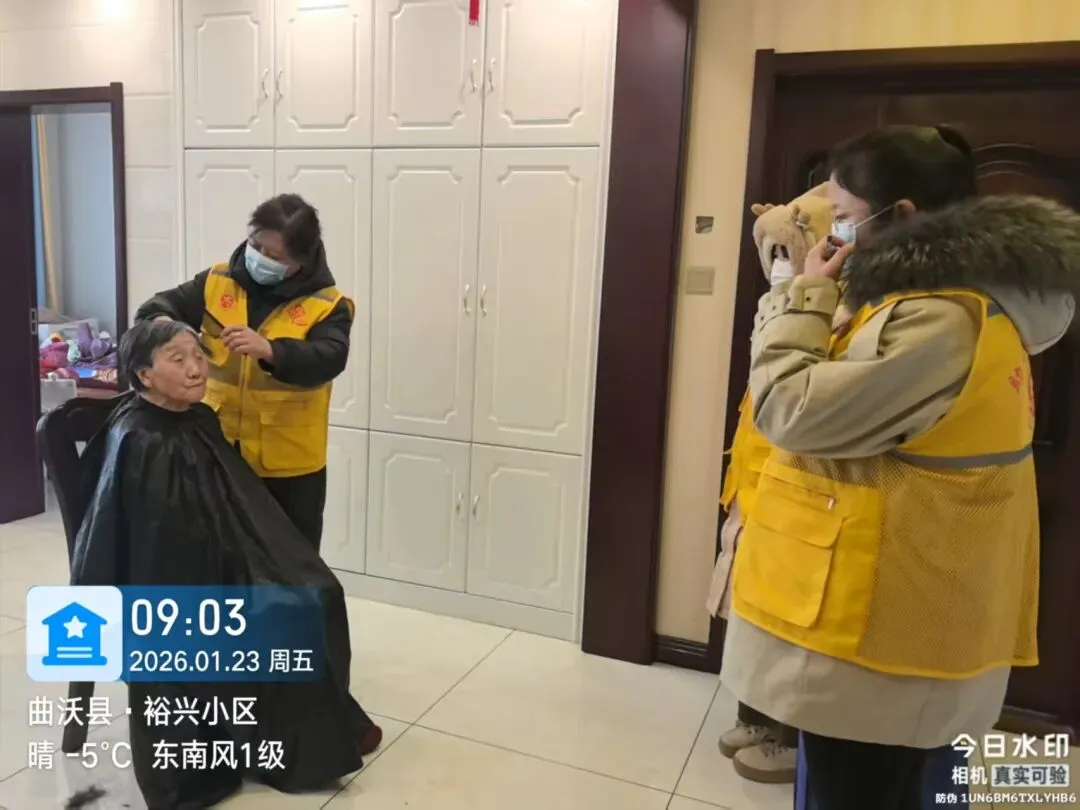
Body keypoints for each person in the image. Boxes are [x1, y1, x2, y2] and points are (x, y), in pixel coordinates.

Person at [720, 124, 1080, 809]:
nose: (834, 232)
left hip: (880, 637)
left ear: (902, 214)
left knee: (861, 790)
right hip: (901, 615)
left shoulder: (938, 321)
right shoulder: (931, 298)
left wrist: (799, 296)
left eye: (844, 216)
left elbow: (789, 409)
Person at [71, 319, 381, 808]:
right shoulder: (140, 437)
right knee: (271, 611)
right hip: (167, 583)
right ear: (144, 375)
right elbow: (154, 543)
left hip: (216, 555)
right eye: (178, 360)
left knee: (316, 592)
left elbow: (228, 503)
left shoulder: (197, 418)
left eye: (199, 356)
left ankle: (317, 732)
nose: (197, 369)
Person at [135, 194, 352, 551]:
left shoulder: (327, 305)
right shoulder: (217, 281)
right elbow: (158, 305)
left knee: (287, 562)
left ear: (300, 260)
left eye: (274, 256)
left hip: (288, 466)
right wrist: (162, 323)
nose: (260, 258)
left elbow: (330, 357)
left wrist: (272, 351)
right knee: (217, 554)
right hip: (217, 451)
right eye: (256, 245)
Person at [710, 188, 836, 783]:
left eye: (790, 253)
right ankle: (756, 717)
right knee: (752, 614)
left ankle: (790, 737)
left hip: (801, 491)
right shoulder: (779, 309)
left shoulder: (835, 312)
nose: (781, 268)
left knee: (791, 625)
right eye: (775, 256)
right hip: (756, 486)